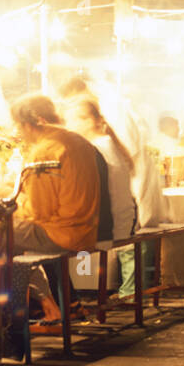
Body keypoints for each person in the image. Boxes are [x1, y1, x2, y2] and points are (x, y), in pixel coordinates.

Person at [9, 94, 101, 254]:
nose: (17, 132)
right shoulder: (80, 141)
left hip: (61, 235)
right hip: (86, 233)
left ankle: (13, 279)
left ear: (28, 126)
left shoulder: (45, 152)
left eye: (18, 126)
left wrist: (10, 205)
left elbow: (39, 213)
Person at [63, 94, 137, 296]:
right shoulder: (109, 144)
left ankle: (73, 298)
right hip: (123, 221)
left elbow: (86, 196)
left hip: (108, 227)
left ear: (89, 121)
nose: (68, 126)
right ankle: (73, 297)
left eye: (71, 120)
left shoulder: (94, 149)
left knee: (49, 242)